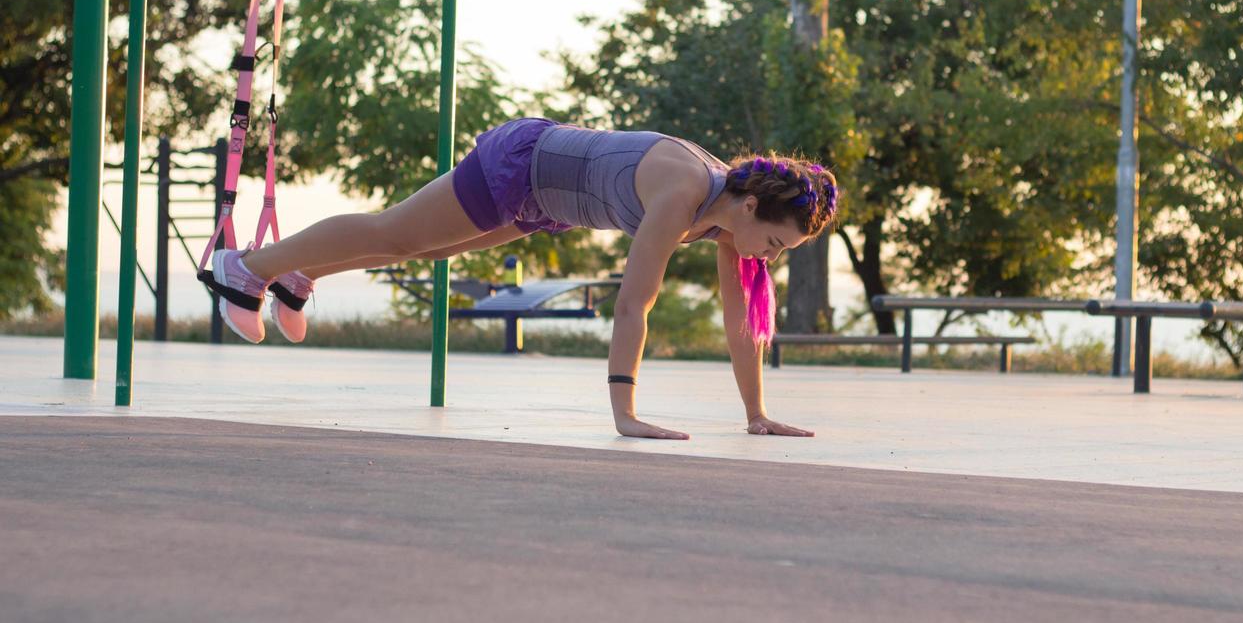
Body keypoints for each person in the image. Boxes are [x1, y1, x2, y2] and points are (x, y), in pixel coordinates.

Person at [207, 116, 840, 441]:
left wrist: (756, 414)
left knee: (420, 251)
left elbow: (740, 322)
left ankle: (295, 273)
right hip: (523, 165)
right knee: (395, 233)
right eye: (778, 243)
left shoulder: (733, 227)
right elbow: (632, 305)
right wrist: (626, 414)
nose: (771, 257)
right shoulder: (684, 192)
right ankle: (245, 267)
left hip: (547, 203)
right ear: (755, 206)